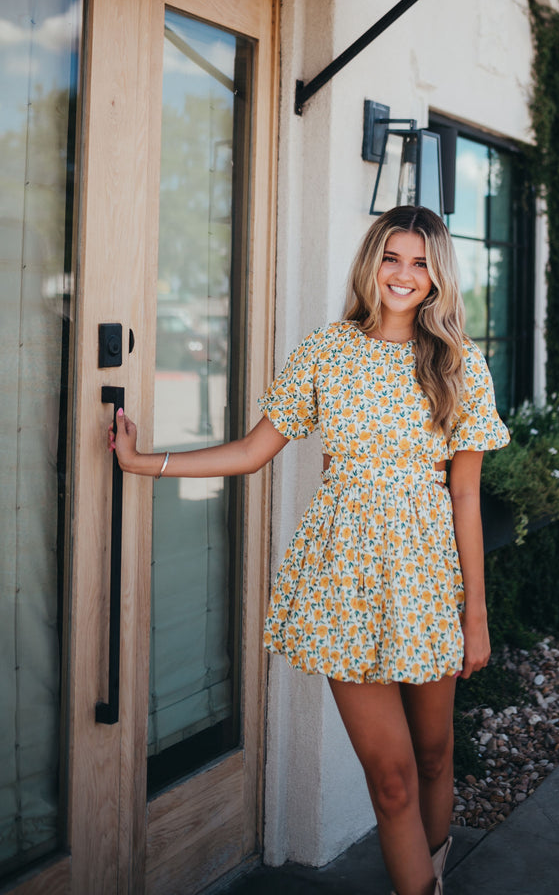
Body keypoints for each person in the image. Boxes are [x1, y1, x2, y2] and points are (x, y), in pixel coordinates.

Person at [109, 205, 509, 895]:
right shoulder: (327, 351)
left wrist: (476, 613)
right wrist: (148, 463)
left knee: (437, 754)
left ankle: (436, 870)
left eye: (420, 262)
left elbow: (466, 496)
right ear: (371, 263)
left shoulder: (458, 365)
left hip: (426, 581)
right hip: (342, 583)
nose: (404, 275)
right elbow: (252, 450)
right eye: (393, 257)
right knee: (391, 780)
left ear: (438, 276)